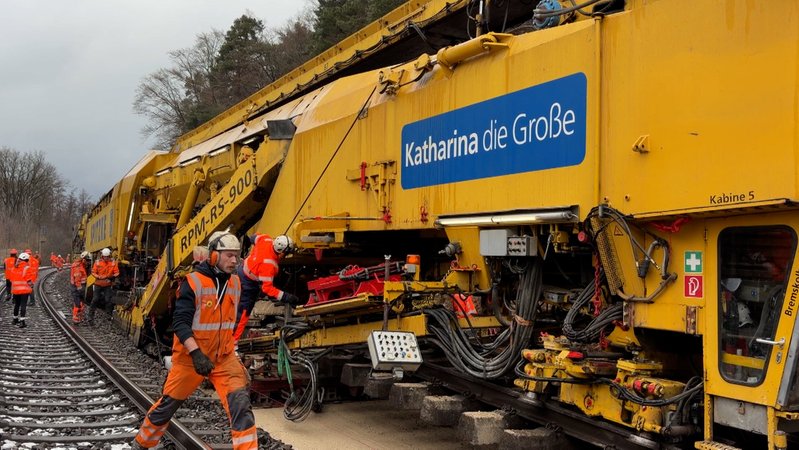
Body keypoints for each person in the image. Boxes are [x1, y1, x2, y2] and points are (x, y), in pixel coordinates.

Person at [131, 231, 258, 450]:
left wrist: (232, 349)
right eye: (229, 255)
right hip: (191, 358)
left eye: (237, 255)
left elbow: (230, 322)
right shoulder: (193, 282)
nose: (235, 260)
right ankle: (142, 443)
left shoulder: (235, 283)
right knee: (168, 405)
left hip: (223, 358)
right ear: (214, 256)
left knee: (240, 403)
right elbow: (180, 323)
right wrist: (196, 353)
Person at [232, 234, 301, 342]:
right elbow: (267, 289)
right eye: (286, 253)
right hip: (248, 282)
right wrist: (286, 297)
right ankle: (233, 343)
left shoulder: (266, 239)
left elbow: (253, 238)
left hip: (242, 269)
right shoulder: (269, 265)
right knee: (244, 313)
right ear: (282, 252)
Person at [88, 247, 119, 325]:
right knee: (95, 299)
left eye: (107, 257)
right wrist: (98, 277)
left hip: (107, 284)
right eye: (105, 257)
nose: (106, 258)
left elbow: (117, 272)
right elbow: (93, 272)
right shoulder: (97, 262)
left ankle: (108, 317)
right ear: (102, 256)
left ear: (109, 256)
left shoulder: (112, 263)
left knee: (108, 300)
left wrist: (111, 278)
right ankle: (90, 317)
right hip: (98, 284)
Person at [9, 252, 34, 328]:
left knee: (17, 304)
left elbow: (10, 279)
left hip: (16, 290)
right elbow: (28, 280)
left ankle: (15, 319)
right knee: (23, 305)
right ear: (26, 260)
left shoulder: (14, 268)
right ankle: (22, 322)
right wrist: (32, 286)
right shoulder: (27, 268)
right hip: (24, 290)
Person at [70, 251, 92, 323]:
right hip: (76, 286)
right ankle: (75, 317)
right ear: (83, 259)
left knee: (81, 302)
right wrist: (79, 288)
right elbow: (77, 278)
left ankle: (79, 317)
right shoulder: (78, 266)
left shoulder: (82, 265)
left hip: (80, 285)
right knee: (78, 303)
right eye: (87, 260)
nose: (88, 262)